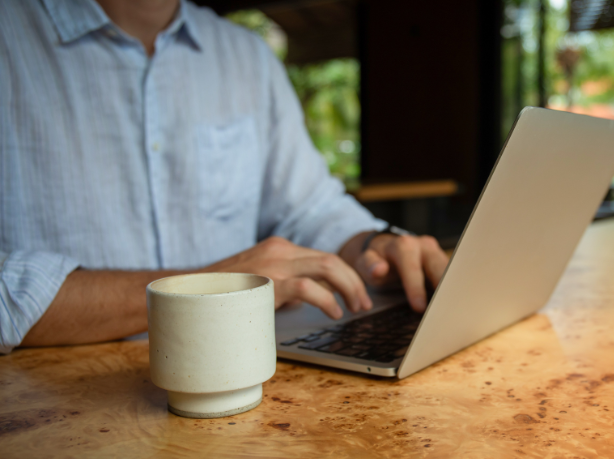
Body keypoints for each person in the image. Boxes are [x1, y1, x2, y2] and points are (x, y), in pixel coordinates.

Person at [0, 0, 449, 354]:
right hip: (55, 405)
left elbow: (308, 207)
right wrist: (216, 286)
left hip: (245, 370)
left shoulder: (246, 55)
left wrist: (369, 244)